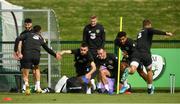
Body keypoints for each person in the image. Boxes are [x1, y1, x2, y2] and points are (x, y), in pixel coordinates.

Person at [120, 19, 173, 94]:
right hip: (145, 54)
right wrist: (166, 33)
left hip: (136, 53)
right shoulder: (148, 29)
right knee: (149, 71)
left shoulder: (139, 33)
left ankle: (128, 71)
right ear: (149, 25)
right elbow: (155, 31)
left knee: (132, 69)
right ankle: (150, 88)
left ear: (143, 25)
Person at [16, 25, 61, 95]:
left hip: (27, 55)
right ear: (40, 31)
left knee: (25, 72)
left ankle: (27, 86)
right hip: (36, 56)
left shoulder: (27, 34)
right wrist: (55, 55)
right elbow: (47, 48)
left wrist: (16, 51)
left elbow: (18, 38)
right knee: (36, 68)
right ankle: (38, 87)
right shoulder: (40, 38)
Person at [13, 18, 36, 92]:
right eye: (25, 24)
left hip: (33, 54)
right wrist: (19, 53)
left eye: (28, 24)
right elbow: (20, 44)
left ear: (31, 24)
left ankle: (36, 86)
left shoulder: (35, 33)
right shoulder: (22, 34)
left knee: (35, 71)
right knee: (24, 71)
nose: (27, 26)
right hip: (25, 55)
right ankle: (25, 87)